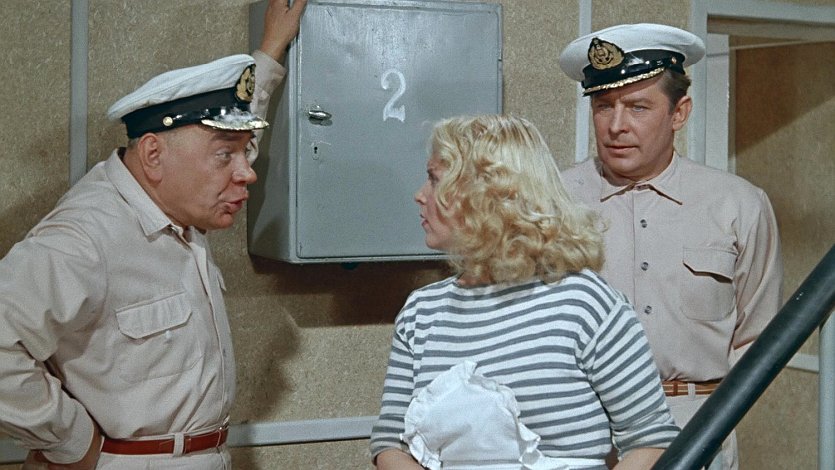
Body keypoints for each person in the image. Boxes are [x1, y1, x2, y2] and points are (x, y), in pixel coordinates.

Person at [0, 1, 306, 468]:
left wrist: (269, 51)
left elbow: (233, 133)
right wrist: (71, 440)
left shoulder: (179, 197)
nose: (248, 172)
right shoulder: (86, 235)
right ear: (153, 155)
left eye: (244, 152)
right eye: (226, 155)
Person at [370, 114, 680, 470]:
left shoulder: (585, 305)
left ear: (486, 193)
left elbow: (653, 441)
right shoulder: (421, 312)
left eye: (435, 179)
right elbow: (390, 443)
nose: (420, 195)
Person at [557, 23, 783, 470]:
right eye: (604, 107)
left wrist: (716, 421)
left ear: (679, 113)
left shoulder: (737, 205)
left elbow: (759, 337)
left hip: (696, 429)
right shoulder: (552, 201)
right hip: (581, 432)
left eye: (637, 107)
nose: (616, 126)